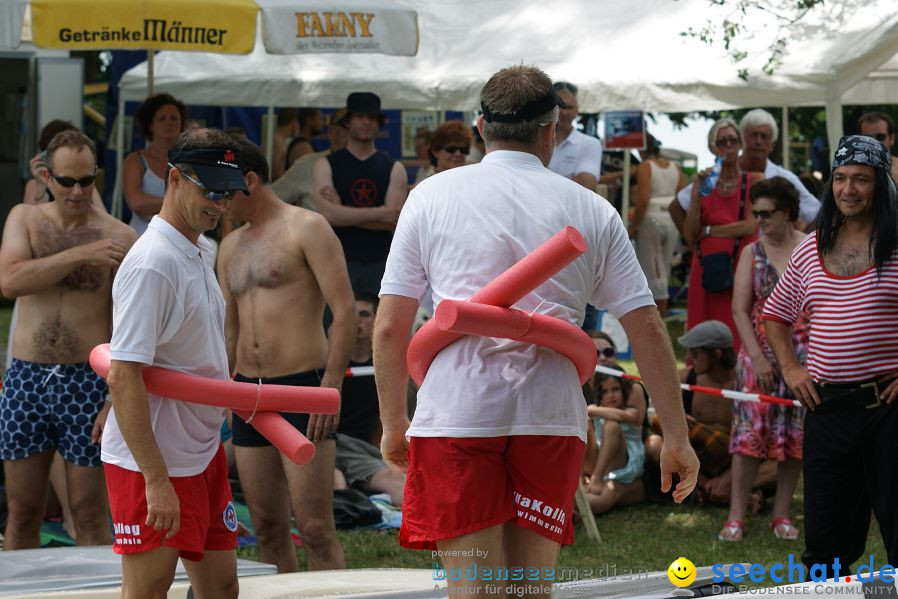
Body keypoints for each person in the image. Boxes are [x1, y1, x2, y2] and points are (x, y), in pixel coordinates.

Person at [374, 65, 698, 599]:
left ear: (481, 127)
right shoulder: (591, 208)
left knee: (474, 591)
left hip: (458, 413)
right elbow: (645, 326)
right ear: (552, 131)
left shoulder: (430, 196)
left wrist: (393, 423)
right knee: (528, 590)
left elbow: (390, 327)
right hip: (548, 415)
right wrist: (678, 436)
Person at [102, 128, 248, 598]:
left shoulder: (199, 248)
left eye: (227, 192)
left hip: (199, 452)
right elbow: (123, 376)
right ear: (173, 180)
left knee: (223, 587)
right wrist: (156, 479)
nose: (220, 204)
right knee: (148, 590)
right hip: (155, 462)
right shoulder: (153, 263)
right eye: (209, 189)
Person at [217, 134, 355, 573]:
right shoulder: (229, 246)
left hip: (301, 387)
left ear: (250, 180)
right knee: (268, 527)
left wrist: (331, 384)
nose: (215, 200)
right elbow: (230, 328)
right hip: (248, 395)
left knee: (315, 526)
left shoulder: (307, 227)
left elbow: (346, 308)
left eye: (222, 189)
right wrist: (226, 390)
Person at [763, 135, 898, 574]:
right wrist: (789, 367)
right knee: (824, 547)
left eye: (861, 179)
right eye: (840, 178)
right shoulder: (810, 247)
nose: (849, 189)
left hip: (891, 411)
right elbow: (776, 315)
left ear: (881, 185)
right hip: (826, 409)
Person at [0, 130, 136, 550]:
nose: (78, 192)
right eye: (66, 181)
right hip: (26, 376)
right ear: (45, 175)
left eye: (87, 180)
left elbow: (131, 329)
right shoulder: (25, 218)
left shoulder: (119, 238)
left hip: (87, 381)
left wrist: (115, 399)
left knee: (90, 513)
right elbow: (10, 281)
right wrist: (80, 254)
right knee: (23, 511)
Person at [722, 177, 808, 541]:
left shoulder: (810, 248)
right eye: (755, 213)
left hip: (805, 356)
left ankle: (782, 514)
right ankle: (736, 516)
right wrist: (757, 358)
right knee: (748, 438)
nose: (759, 219)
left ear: (787, 212)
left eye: (766, 213)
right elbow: (740, 311)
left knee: (794, 437)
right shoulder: (751, 253)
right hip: (758, 354)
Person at [645, 320, 774, 509]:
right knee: (653, 445)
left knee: (780, 464)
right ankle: (712, 489)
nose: (689, 358)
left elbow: (763, 436)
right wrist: (675, 419)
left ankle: (721, 490)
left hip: (739, 462)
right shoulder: (684, 379)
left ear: (717, 354)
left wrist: (728, 477)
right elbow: (657, 416)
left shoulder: (747, 383)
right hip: (696, 462)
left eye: (695, 353)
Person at [312, 92, 408, 296]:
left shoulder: (394, 167)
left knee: (377, 326)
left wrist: (342, 211)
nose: (366, 122)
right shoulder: (326, 164)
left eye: (372, 117)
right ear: (347, 121)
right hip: (338, 260)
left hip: (381, 263)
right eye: (360, 116)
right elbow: (327, 216)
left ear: (379, 122)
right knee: (337, 324)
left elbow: (393, 220)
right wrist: (380, 213)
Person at [682, 119, 763, 350]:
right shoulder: (704, 183)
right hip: (707, 267)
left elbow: (749, 226)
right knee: (704, 328)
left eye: (732, 140)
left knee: (742, 322)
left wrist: (708, 231)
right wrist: (697, 191)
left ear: (740, 144)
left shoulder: (754, 179)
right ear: (712, 147)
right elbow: (689, 234)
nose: (728, 145)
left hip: (742, 264)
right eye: (721, 141)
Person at [670, 109, 821, 234]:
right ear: (742, 140)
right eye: (753, 135)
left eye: (764, 136)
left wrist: (801, 248)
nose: (758, 141)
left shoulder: (785, 178)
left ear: (772, 145)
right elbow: (676, 206)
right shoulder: (716, 177)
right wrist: (694, 244)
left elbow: (820, 215)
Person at [335, 292, 405, 506]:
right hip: (333, 444)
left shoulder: (383, 367)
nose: (357, 321)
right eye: (352, 315)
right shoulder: (329, 364)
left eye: (364, 314)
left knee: (402, 477)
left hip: (365, 450)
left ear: (376, 319)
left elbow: (383, 420)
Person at [631, 134, 686, 316]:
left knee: (652, 267)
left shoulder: (645, 167)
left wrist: (634, 225)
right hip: (671, 218)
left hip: (651, 218)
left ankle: (657, 314)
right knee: (664, 265)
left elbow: (643, 199)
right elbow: (682, 197)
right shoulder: (675, 167)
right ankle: (661, 311)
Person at [584, 366, 647, 515]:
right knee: (584, 423)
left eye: (615, 389)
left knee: (611, 425)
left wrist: (591, 409)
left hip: (625, 462)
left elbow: (629, 418)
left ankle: (596, 478)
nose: (610, 395)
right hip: (601, 458)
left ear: (624, 390)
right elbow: (585, 411)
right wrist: (589, 410)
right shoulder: (595, 408)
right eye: (605, 391)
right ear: (599, 394)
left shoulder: (631, 410)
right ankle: (580, 478)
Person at [123, 93, 188, 236]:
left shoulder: (190, 161)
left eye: (174, 118)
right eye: (162, 118)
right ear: (150, 125)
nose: (169, 122)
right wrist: (180, 201)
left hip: (180, 239)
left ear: (181, 124)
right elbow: (136, 202)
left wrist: (153, 206)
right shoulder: (135, 160)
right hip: (140, 238)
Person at [273, 109, 349, 212]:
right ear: (332, 133)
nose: (355, 137)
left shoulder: (375, 169)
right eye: (348, 128)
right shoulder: (307, 164)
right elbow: (269, 201)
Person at [23, 119, 106, 211]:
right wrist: (40, 186)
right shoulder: (35, 184)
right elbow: (33, 220)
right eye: (65, 181)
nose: (77, 191)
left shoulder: (85, 182)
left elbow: (103, 217)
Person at [547, 81, 602, 190]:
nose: (564, 112)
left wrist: (541, 185)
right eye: (559, 106)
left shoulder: (590, 144)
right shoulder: (533, 139)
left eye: (569, 107)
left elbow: (586, 185)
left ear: (577, 110)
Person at [857, 111, 898, 184]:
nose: (875, 142)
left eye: (880, 137)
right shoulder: (852, 171)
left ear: (891, 138)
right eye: (867, 138)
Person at [270, 108, 300, 181]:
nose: (298, 127)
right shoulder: (277, 142)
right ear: (293, 122)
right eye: (298, 123)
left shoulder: (278, 140)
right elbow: (275, 172)